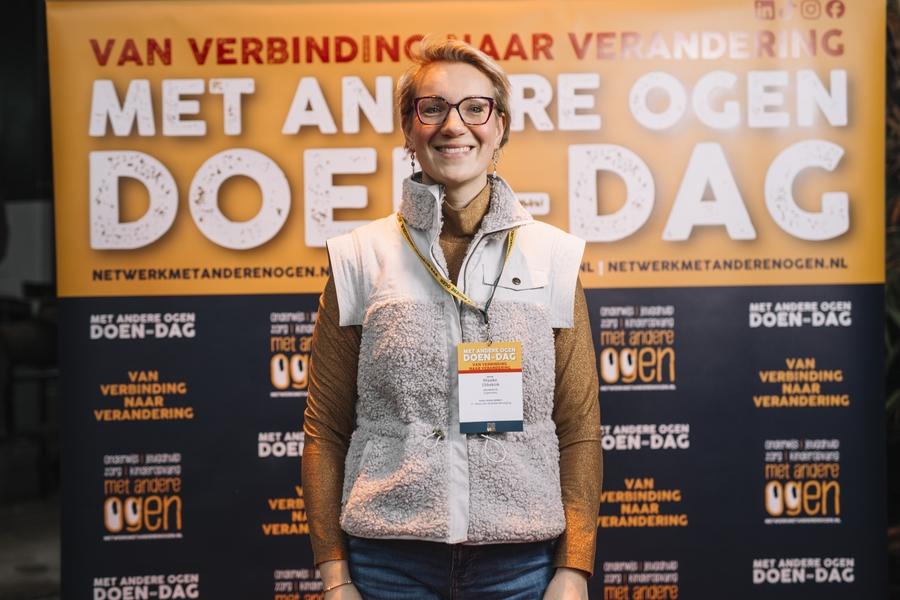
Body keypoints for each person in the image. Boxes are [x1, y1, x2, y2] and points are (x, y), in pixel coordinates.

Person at [302, 39, 602, 600]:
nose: (453, 125)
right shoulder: (361, 256)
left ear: (500, 126)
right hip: (388, 564)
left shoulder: (552, 255)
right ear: (408, 128)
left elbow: (579, 427)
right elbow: (325, 430)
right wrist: (334, 577)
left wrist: (574, 567)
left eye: (475, 108)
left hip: (520, 567)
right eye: (433, 107)